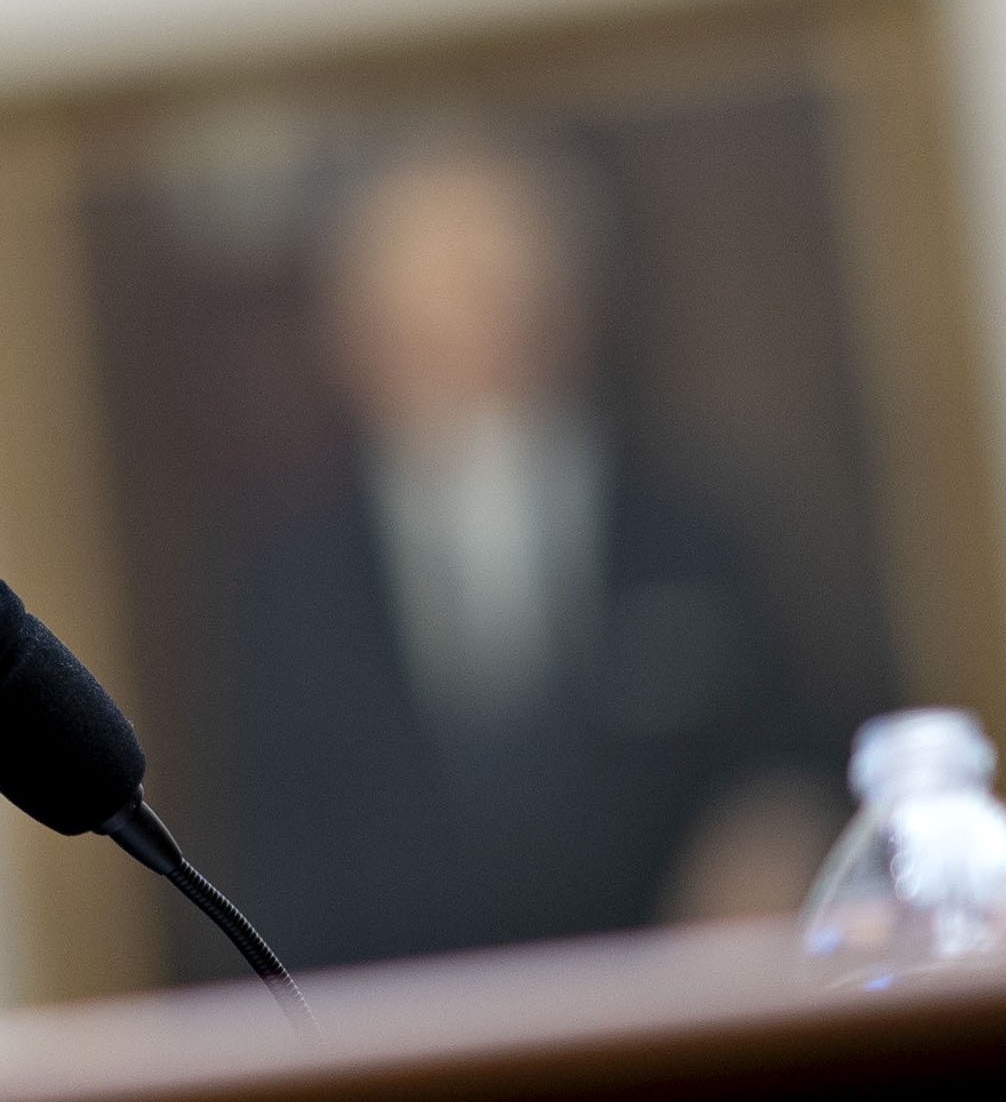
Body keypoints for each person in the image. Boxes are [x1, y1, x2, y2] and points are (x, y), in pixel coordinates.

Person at [213, 130, 834, 970]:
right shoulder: (285, 583)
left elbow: (794, 765)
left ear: (569, 305)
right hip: (406, 1046)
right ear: (355, 332)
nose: (472, 317)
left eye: (496, 280)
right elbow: (266, 861)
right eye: (431, 290)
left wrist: (775, 838)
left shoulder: (698, 534)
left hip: (668, 1027)